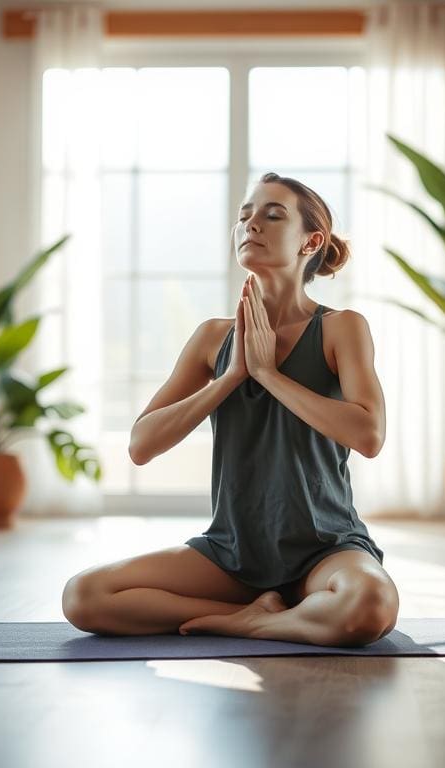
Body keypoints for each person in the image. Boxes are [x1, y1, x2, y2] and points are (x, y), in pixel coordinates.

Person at [61, 172, 399, 648]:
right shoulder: (211, 338)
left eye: (271, 214)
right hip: (230, 553)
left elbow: (369, 435)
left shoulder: (342, 328)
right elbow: (141, 445)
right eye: (244, 215)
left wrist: (269, 375)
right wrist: (231, 377)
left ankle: (248, 622)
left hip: (325, 549)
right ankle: (252, 613)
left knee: (371, 604)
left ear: (311, 241)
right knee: (85, 596)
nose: (250, 224)